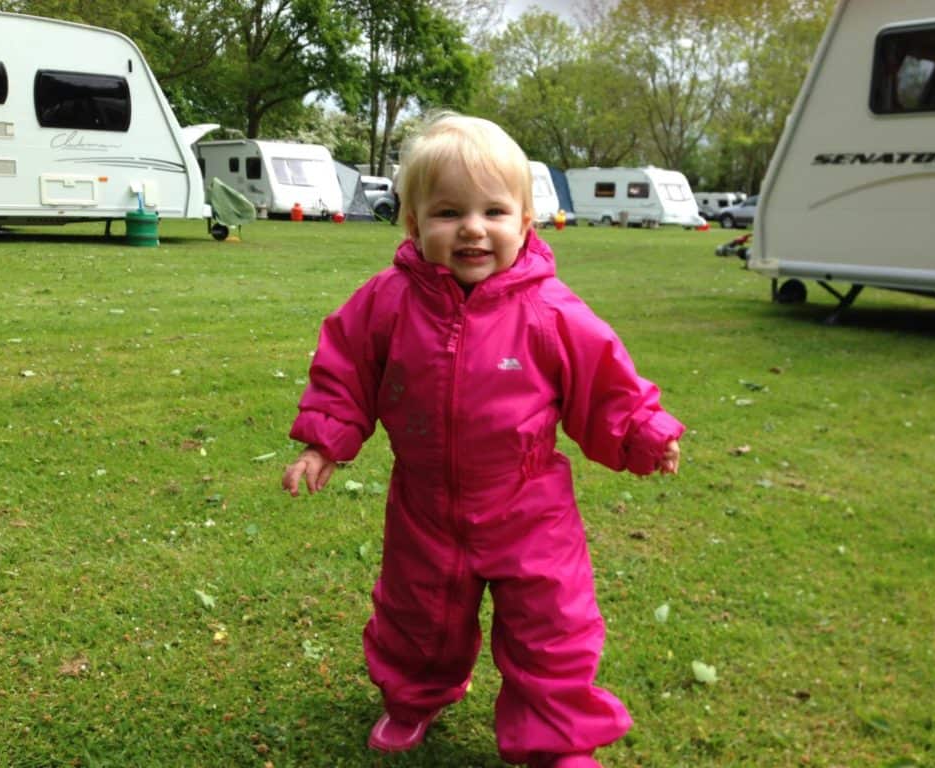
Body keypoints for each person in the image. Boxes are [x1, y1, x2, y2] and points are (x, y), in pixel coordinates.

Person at [281, 112, 684, 768]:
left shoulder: (552, 313)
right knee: (418, 616)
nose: (472, 228)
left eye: (493, 211)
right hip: (426, 506)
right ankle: (414, 697)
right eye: (447, 212)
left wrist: (641, 432)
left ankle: (555, 741)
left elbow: (604, 381)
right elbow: (346, 370)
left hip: (529, 509)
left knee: (552, 632)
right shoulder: (386, 304)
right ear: (413, 223)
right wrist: (324, 441)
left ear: (525, 223)